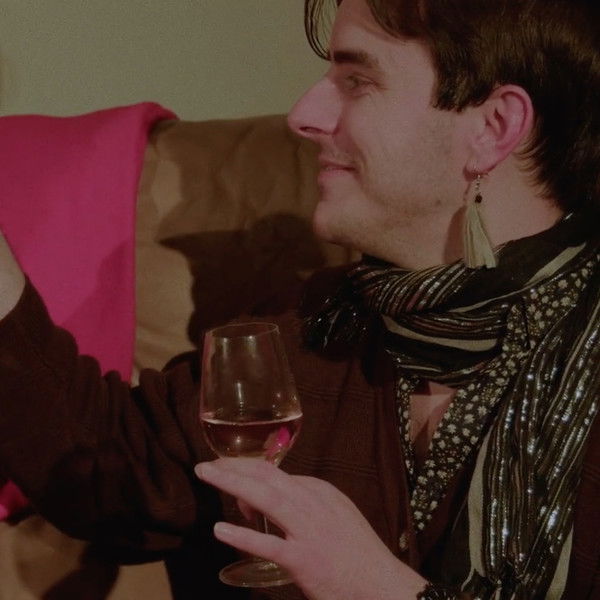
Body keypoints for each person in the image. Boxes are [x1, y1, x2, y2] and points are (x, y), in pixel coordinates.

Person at [0, 0, 598, 598]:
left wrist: (376, 587)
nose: (303, 115)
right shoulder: (321, 328)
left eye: (357, 80)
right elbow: (111, 475)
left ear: (494, 128)